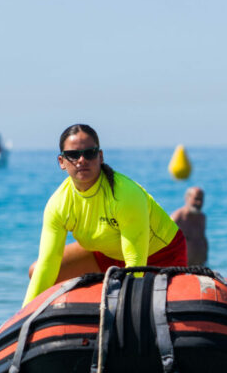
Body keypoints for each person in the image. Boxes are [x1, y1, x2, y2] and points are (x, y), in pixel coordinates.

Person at [24, 124, 187, 306]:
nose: (82, 160)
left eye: (90, 153)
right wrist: (22, 320)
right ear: (61, 161)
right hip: (107, 255)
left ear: (100, 156)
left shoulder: (125, 194)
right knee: (35, 270)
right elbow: (47, 266)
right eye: (73, 155)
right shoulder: (58, 205)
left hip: (159, 256)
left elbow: (135, 264)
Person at [170, 186, 208, 266]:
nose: (199, 203)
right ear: (187, 198)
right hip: (182, 267)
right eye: (196, 199)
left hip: (200, 266)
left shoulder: (202, 217)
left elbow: (203, 238)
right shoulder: (177, 218)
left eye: (201, 199)